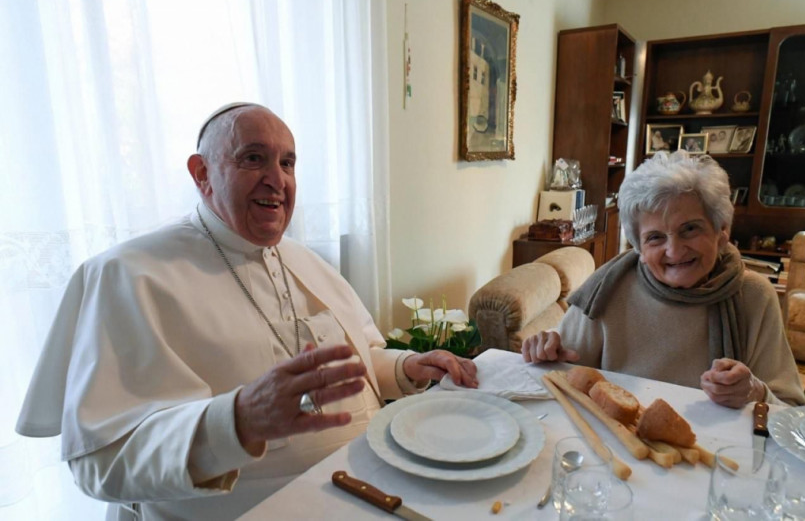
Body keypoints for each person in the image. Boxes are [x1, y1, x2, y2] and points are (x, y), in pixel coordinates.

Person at [16, 102, 478, 520]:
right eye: (253, 158)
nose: (277, 180)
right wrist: (235, 421)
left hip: (367, 487)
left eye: (287, 162)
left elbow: (350, 360)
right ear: (201, 173)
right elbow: (100, 464)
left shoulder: (302, 259)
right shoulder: (127, 275)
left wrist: (405, 367)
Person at [522, 150, 804, 408]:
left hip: (721, 454)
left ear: (722, 232)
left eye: (690, 229)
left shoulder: (754, 295)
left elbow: (790, 409)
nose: (675, 250)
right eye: (655, 237)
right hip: (619, 443)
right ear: (640, 249)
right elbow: (562, 376)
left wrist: (756, 393)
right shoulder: (607, 288)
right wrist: (544, 351)